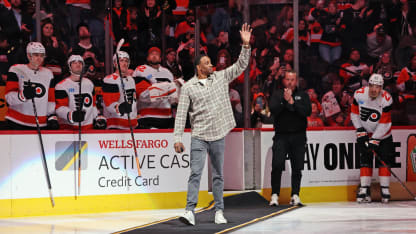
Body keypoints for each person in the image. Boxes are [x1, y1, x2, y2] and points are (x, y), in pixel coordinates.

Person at [173, 23, 252, 226]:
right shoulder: (189, 87)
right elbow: (181, 114)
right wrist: (177, 138)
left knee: (218, 175)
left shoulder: (220, 77)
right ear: (199, 67)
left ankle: (219, 211)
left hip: (217, 135)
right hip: (199, 135)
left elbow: (241, 66)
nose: (212, 66)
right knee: (195, 174)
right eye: (208, 63)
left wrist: (245, 45)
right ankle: (189, 211)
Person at [268, 71, 311, 206]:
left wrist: (293, 102)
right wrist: (285, 101)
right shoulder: (277, 94)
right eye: (288, 79)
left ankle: (295, 194)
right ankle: (275, 195)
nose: (290, 82)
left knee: (297, 166)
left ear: (296, 80)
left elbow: (306, 112)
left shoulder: (303, 95)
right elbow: (273, 110)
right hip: (281, 136)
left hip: (299, 136)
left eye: (293, 79)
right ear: (284, 81)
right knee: (277, 165)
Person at [351, 74, 394, 203]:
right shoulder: (358, 94)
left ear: (382, 88)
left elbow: (385, 123)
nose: (374, 89)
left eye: (378, 87)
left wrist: (375, 139)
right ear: (368, 85)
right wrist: (359, 130)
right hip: (365, 134)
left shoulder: (387, 99)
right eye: (372, 86)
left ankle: (385, 189)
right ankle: (364, 189)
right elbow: (354, 114)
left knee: (384, 161)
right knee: (365, 160)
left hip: (384, 135)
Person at [5, 42, 58, 130]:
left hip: (40, 123)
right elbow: (9, 97)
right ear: (29, 56)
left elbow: (50, 99)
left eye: (42, 55)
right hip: (16, 122)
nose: (39, 58)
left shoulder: (48, 74)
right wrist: (23, 95)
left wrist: (51, 116)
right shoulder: (16, 69)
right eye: (36, 55)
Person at [55, 55, 106, 130]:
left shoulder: (89, 83)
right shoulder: (61, 86)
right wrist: (71, 115)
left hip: (88, 128)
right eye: (74, 62)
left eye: (80, 62)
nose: (78, 64)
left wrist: (97, 117)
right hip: (69, 129)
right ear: (69, 66)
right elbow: (59, 108)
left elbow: (93, 105)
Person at [133, 47, 175, 129]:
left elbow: (172, 96)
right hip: (147, 116)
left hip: (166, 117)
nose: (154, 56)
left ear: (160, 58)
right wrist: (167, 89)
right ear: (147, 57)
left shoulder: (167, 72)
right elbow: (143, 96)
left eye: (157, 54)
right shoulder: (141, 70)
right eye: (152, 54)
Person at [102, 51, 138, 129]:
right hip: (116, 125)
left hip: (132, 125)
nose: (124, 63)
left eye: (126, 61)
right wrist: (121, 107)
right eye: (121, 61)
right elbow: (109, 104)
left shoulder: (131, 80)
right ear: (115, 63)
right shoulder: (109, 79)